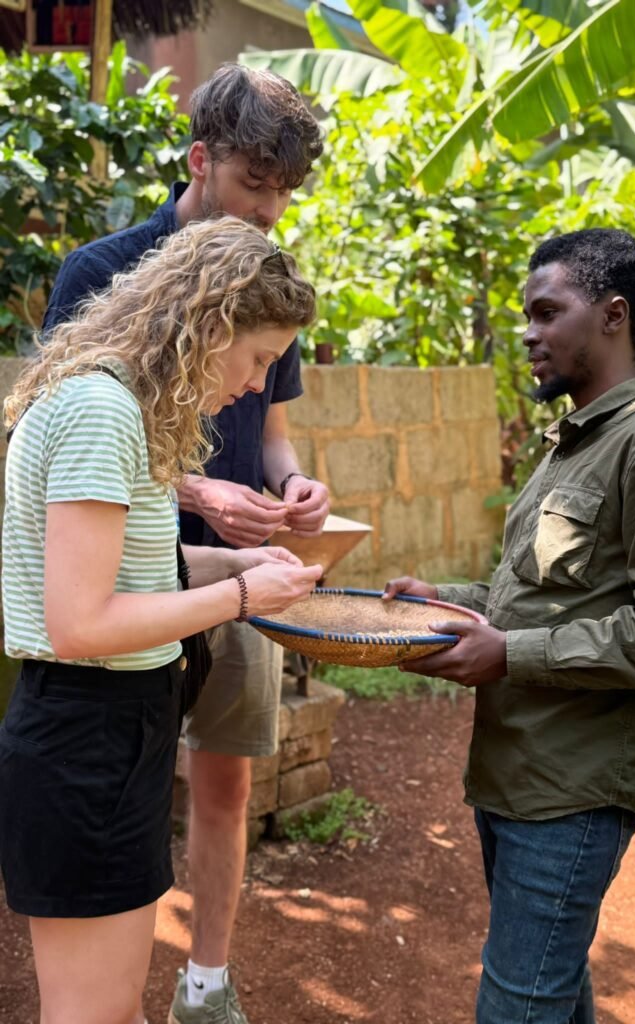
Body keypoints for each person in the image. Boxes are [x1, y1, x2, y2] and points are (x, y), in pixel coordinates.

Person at [42, 64, 330, 1022]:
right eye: (257, 184)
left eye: (286, 192)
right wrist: (204, 498)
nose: (270, 209)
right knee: (120, 786)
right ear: (200, 161)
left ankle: (204, 981)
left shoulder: (259, 289)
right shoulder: (103, 304)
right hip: (129, 593)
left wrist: (281, 495)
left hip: (210, 573)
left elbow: (274, 429)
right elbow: (68, 457)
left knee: (219, 783)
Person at [383, 228, 635, 1024]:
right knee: (549, 989)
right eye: (525, 314)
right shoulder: (572, 443)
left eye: (547, 311)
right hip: (517, 770)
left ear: (614, 315)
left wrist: (509, 654)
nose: (529, 332)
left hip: (575, 788)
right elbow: (542, 596)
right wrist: (446, 598)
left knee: (517, 1004)